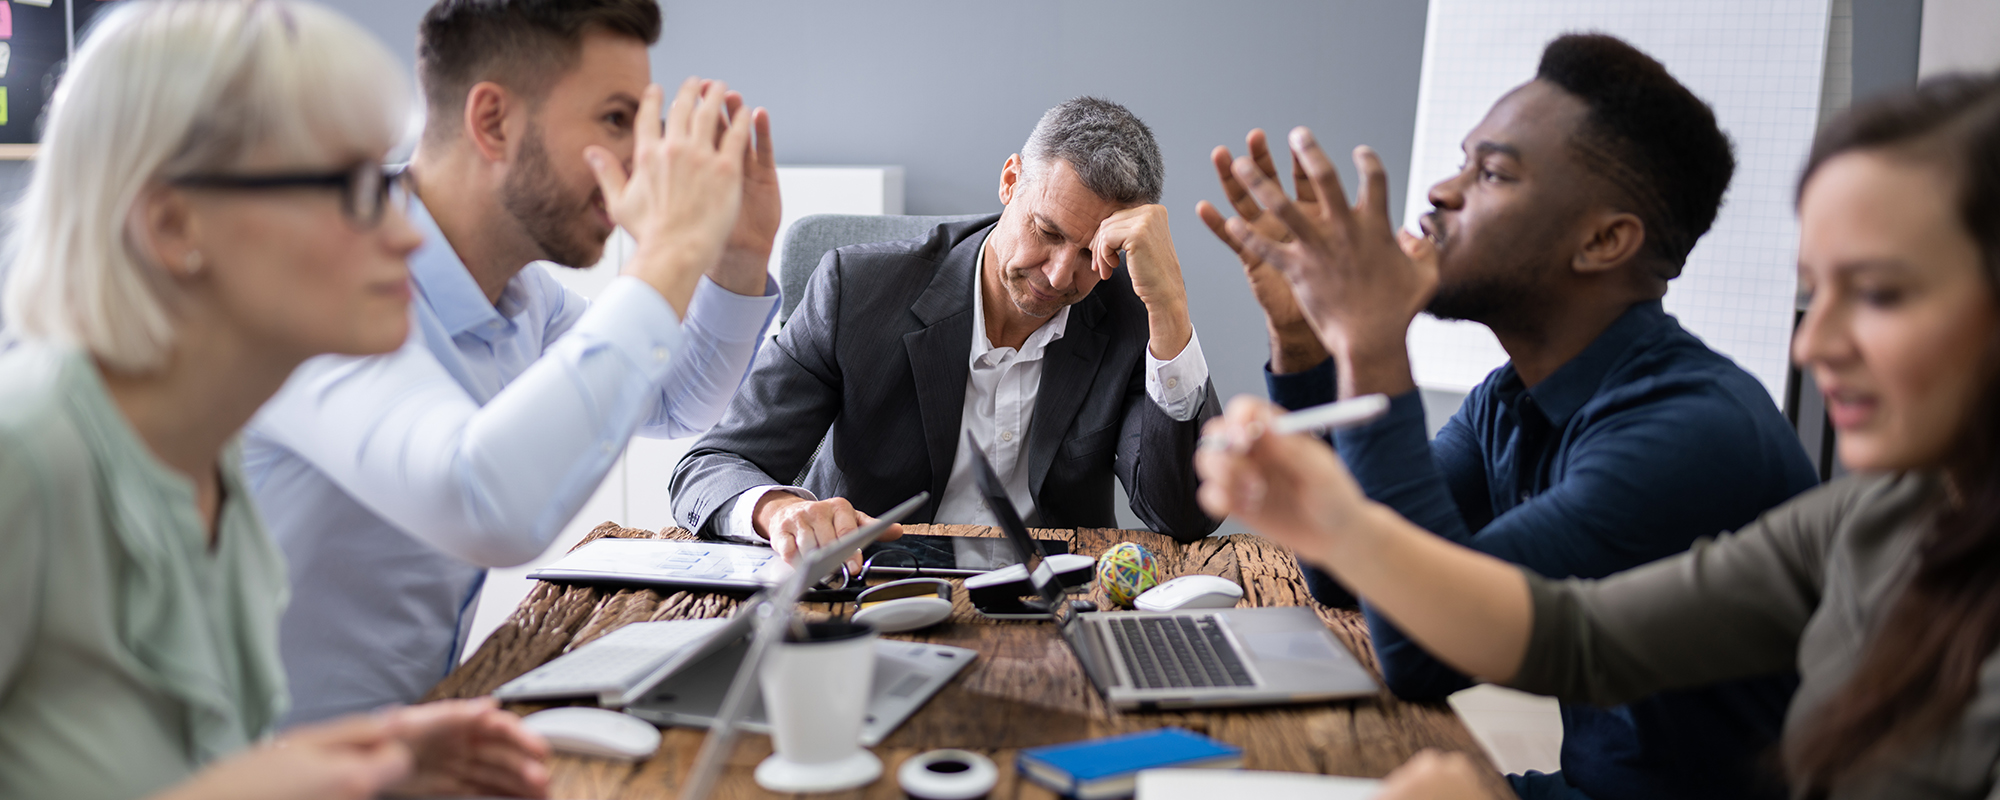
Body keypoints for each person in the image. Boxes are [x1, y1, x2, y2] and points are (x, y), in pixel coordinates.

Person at [1198, 71, 2000, 799]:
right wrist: (1312, 360)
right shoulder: (1874, 515)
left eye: (1880, 292)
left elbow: (1419, 650)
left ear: (1604, 241)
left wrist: (1371, 346)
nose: (1811, 344)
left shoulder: (1697, 433)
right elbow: (1553, 632)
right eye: (1815, 292)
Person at [0, 2, 550, 798]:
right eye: (356, 191)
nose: (407, 235)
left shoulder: (210, 470)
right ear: (174, 223)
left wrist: (355, 759)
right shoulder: (26, 462)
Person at [241, 0, 782, 726]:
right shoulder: (319, 279)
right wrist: (668, 254)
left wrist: (736, 256)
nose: (642, 159)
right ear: (493, 122)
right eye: (615, 120)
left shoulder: (525, 296)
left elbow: (674, 401)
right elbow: (481, 504)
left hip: (413, 734)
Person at [670, 97, 1219, 559]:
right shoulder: (855, 292)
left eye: (1089, 254)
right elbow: (712, 466)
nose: (1059, 276)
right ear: (1010, 181)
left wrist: (1171, 310)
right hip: (876, 588)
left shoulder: (1130, 314)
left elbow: (1184, 516)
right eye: (1047, 232)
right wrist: (778, 510)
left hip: (1049, 606)